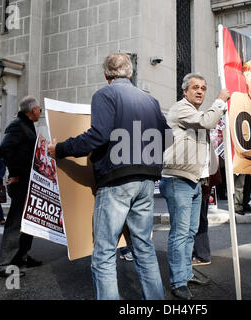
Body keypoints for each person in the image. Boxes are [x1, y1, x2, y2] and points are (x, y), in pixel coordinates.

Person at [48, 53, 168, 300]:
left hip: (116, 181)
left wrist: (59, 149)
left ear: (106, 75)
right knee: (144, 248)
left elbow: (98, 135)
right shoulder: (151, 101)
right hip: (146, 181)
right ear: (131, 72)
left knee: (104, 252)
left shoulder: (105, 94)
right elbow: (168, 137)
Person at [160, 72, 230, 300]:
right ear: (185, 91)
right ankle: (178, 282)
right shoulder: (182, 109)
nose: (200, 91)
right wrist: (219, 101)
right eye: (195, 88)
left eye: (203, 88)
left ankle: (186, 273)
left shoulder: (197, 112)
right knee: (180, 233)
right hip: (178, 180)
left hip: (195, 181)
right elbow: (207, 122)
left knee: (191, 231)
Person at [0, 96, 43, 278]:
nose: (40, 111)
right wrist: (14, 173)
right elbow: (4, 149)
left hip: (28, 181)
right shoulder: (17, 126)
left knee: (28, 222)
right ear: (32, 111)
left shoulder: (28, 126)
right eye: (39, 109)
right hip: (21, 181)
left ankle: (21, 256)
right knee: (15, 224)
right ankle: (3, 264)